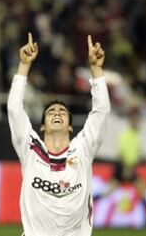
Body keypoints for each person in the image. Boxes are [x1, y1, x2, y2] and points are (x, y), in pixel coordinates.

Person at [7, 32, 110, 236]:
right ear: (43, 126)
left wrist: (96, 70)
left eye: (62, 112)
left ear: (70, 127)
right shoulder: (30, 148)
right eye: (51, 112)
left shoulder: (83, 148)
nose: (56, 113)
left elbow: (101, 111)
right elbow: (14, 109)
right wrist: (24, 66)